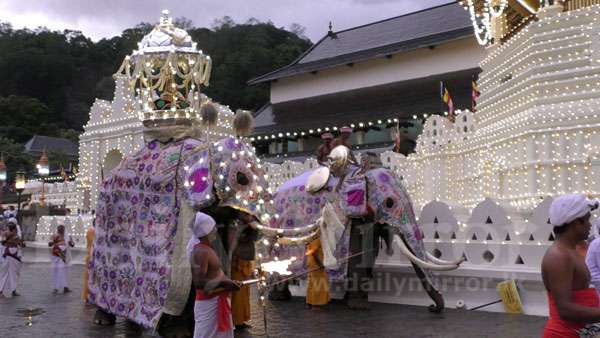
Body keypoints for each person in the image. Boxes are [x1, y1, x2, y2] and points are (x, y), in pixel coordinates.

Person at [542, 194, 600, 337]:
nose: (590, 224)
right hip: (563, 334)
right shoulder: (559, 257)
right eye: (587, 219)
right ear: (575, 223)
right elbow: (565, 310)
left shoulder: (570, 251)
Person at [190, 212, 240, 338]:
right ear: (206, 231)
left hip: (217, 301)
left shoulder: (207, 248)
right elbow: (199, 283)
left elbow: (212, 275)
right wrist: (224, 283)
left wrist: (227, 284)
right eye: (213, 227)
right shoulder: (200, 251)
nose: (215, 230)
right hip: (209, 305)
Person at [231, 225, 257, 330]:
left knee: (244, 298)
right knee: (237, 298)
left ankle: (241, 321)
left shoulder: (245, 244)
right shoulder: (237, 243)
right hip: (238, 272)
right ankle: (237, 321)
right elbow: (237, 259)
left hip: (244, 272)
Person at [305, 237, 330, 310]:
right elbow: (313, 252)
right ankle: (315, 305)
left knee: (313, 283)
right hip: (315, 264)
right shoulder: (316, 239)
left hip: (313, 264)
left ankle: (310, 303)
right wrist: (320, 264)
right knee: (318, 284)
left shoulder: (314, 238)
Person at [49, 225, 74, 294]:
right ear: (57, 229)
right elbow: (49, 244)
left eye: (62, 229)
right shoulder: (55, 236)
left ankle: (65, 287)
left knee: (64, 272)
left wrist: (70, 242)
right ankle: (55, 288)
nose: (60, 230)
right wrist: (54, 243)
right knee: (56, 271)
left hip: (64, 256)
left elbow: (72, 245)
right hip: (56, 256)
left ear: (64, 230)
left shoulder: (67, 236)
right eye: (59, 229)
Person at [0, 222, 24, 297]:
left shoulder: (5, 234)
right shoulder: (15, 236)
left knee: (5, 273)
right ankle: (12, 290)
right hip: (13, 255)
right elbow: (21, 244)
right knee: (13, 273)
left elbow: (3, 243)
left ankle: (3, 291)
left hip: (7, 254)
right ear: (14, 229)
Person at [82, 220, 95, 301]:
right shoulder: (94, 232)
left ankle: (86, 295)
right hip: (93, 256)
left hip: (89, 255)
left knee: (88, 277)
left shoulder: (89, 231)